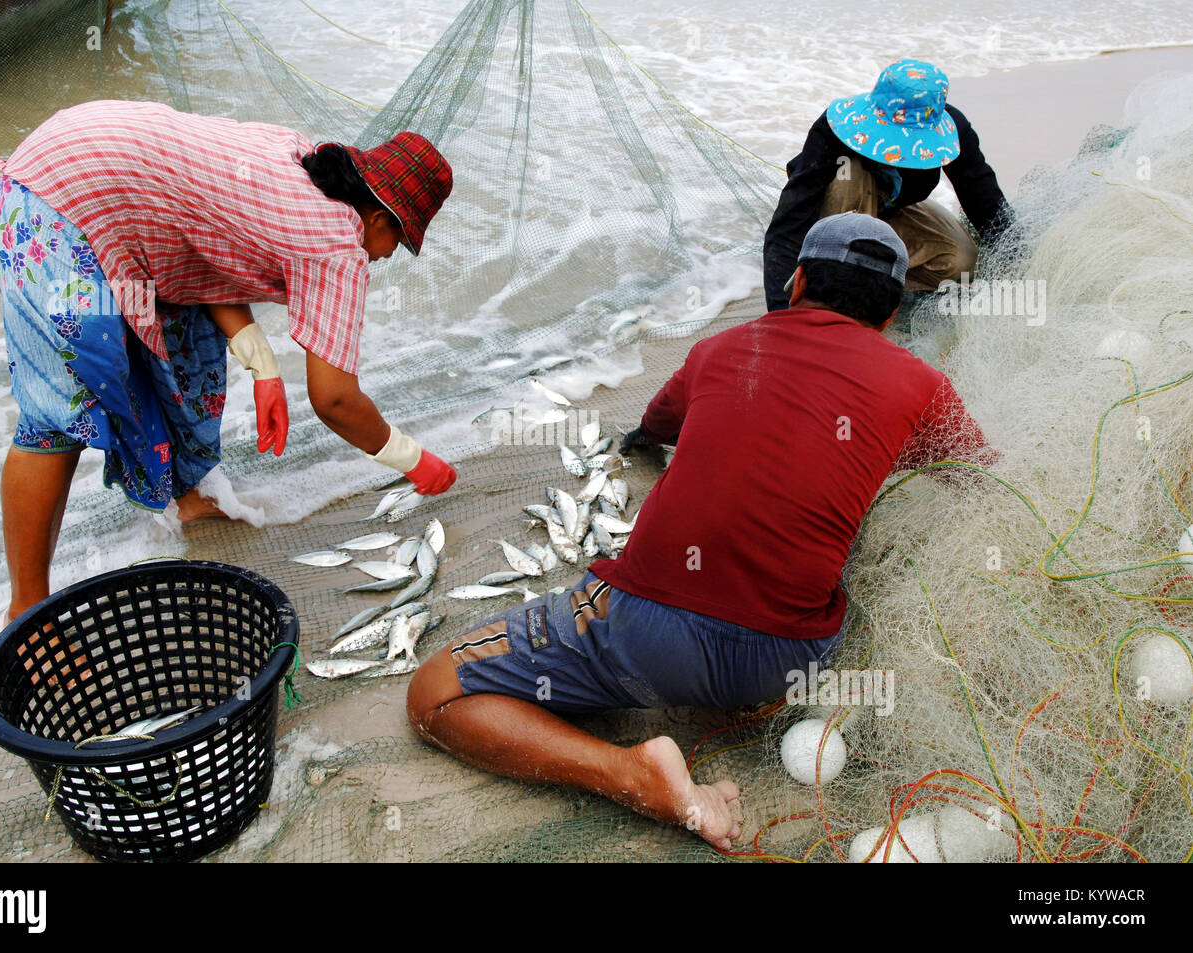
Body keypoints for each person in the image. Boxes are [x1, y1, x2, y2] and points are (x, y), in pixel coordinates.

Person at [407, 212, 997, 849]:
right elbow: (980, 476)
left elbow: (657, 422)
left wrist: (651, 439)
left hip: (642, 642)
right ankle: (741, 703)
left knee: (433, 694)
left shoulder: (721, 349)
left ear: (795, 283)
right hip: (787, 663)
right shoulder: (922, 385)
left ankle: (628, 771)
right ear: (888, 318)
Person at [0, 99, 456, 621]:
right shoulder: (336, 243)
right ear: (376, 217)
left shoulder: (301, 157)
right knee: (59, 415)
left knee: (188, 352)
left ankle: (187, 497)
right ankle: (25, 611)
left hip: (94, 164)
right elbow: (336, 399)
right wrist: (415, 460)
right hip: (58, 196)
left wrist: (263, 365)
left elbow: (204, 236)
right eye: (399, 237)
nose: (390, 253)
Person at [762, 58, 1016, 314]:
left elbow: (985, 201)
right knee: (848, 174)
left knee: (962, 262)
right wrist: (781, 313)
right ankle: (836, 288)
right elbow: (787, 226)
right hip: (831, 218)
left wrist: (1019, 259)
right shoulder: (835, 128)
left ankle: (883, 283)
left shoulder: (955, 129)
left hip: (892, 209)